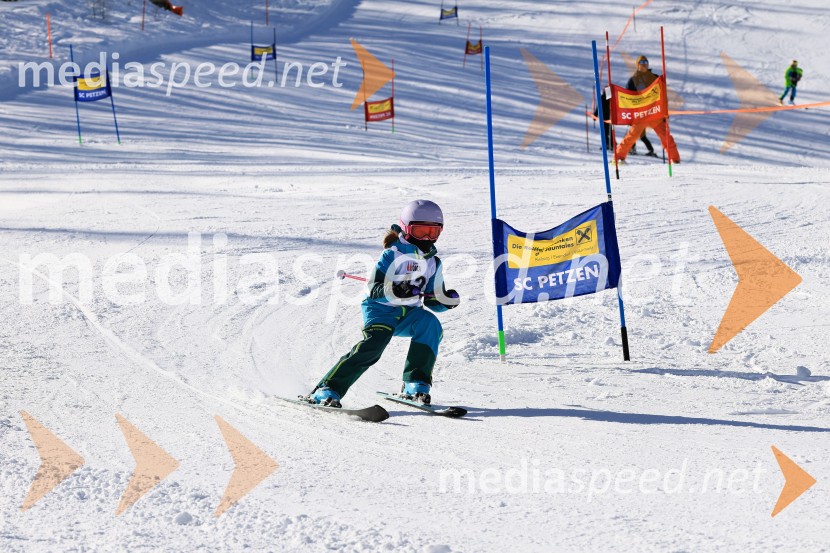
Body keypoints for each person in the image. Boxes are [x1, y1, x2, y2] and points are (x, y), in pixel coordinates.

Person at [307, 200, 460, 408]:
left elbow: (433, 300)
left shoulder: (433, 262)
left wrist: (446, 301)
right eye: (421, 231)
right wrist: (395, 290)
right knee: (374, 345)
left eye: (433, 232)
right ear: (407, 229)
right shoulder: (393, 254)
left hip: (409, 314)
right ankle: (327, 388)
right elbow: (374, 289)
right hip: (381, 310)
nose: (426, 237)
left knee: (430, 324)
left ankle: (415, 384)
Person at [614, 55, 680, 163]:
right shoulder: (633, 80)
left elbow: (663, 96)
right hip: (641, 115)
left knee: (666, 137)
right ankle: (618, 158)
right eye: (641, 62)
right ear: (637, 65)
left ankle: (675, 160)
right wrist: (630, 115)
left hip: (655, 113)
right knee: (631, 137)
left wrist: (665, 112)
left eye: (646, 62)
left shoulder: (655, 78)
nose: (644, 64)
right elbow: (628, 98)